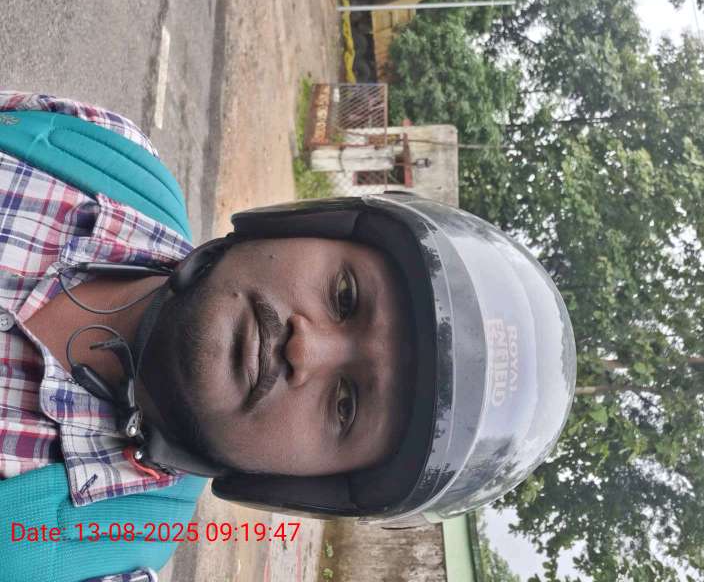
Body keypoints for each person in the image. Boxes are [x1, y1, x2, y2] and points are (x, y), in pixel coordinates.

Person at [0, 90, 576, 582]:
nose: (305, 349)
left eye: (346, 406)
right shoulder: (98, 153)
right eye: (345, 297)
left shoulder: (89, 562)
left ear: (300, 485)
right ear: (307, 228)